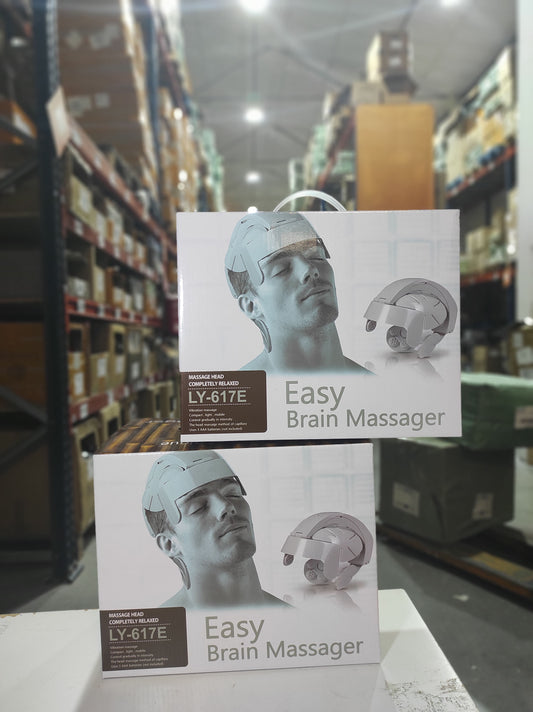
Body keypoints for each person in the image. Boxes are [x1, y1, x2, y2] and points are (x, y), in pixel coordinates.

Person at [225, 211, 372, 373]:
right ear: (251, 306)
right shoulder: (246, 388)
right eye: (282, 269)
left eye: (317, 257)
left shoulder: (375, 386)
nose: (310, 269)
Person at [142, 450, 285, 608]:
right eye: (199, 507)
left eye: (233, 494)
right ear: (169, 544)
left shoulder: (294, 618)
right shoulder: (167, 623)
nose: (227, 506)